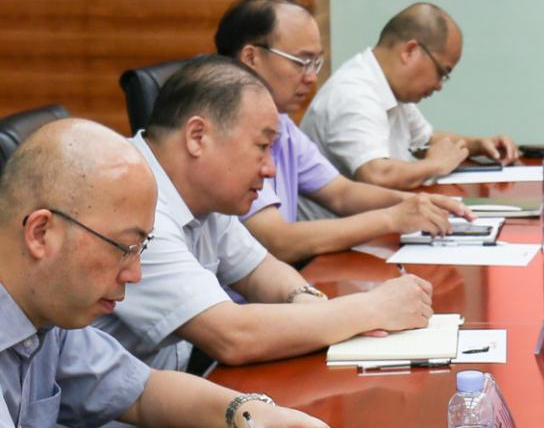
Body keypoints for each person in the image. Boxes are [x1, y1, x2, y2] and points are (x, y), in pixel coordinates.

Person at [94, 56, 434, 371]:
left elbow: (259, 271)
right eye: (262, 147)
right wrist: (371, 309)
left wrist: (307, 300)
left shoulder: (204, 196)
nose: (270, 168)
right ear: (198, 137)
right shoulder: (130, 200)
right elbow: (231, 336)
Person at [0, 117, 325, 427]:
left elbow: (142, 392)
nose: (135, 274)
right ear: (41, 234)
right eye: (124, 247)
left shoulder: (50, 318)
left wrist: (247, 412)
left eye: (141, 249)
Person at [216, 0, 471, 264]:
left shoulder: (283, 124)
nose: (311, 77)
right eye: (301, 62)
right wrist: (391, 217)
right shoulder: (225, 130)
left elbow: (341, 193)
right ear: (251, 57)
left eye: (316, 63)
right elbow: (277, 241)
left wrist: (415, 204)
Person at [299, 2, 517, 194]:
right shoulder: (353, 94)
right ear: (410, 51)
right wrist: (434, 165)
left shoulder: (388, 87)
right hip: (343, 229)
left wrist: (478, 145)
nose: (439, 85)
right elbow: (376, 175)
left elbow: (426, 140)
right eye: (441, 72)